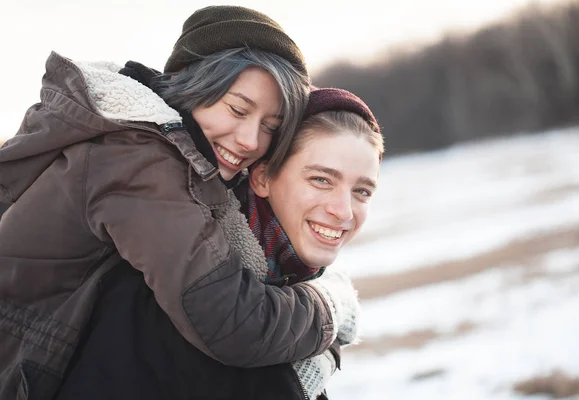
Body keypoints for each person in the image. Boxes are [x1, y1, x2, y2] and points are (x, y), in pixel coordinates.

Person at [0, 6, 358, 399]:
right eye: (238, 110)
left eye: (270, 127)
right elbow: (234, 323)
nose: (250, 140)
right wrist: (328, 306)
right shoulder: (135, 158)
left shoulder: (186, 163)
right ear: (189, 84)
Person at [54, 87, 384, 400]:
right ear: (263, 177)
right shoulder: (174, 285)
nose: (343, 211)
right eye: (320, 180)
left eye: (361, 191)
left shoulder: (289, 283)